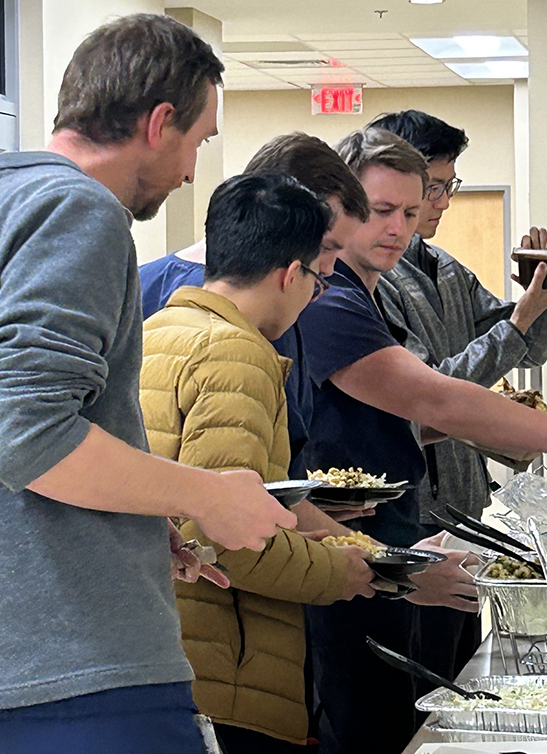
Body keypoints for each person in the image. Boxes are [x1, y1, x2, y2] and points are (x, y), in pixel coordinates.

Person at [0, 15, 295, 754]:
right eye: (198, 142)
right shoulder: (80, 212)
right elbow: (30, 439)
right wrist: (205, 495)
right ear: (160, 123)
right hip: (84, 678)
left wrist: (112, 526)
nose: (193, 169)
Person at [299, 128, 547, 754]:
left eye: (413, 212)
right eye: (381, 211)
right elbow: (436, 396)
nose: (398, 228)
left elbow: (426, 416)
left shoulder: (390, 282)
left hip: (399, 537)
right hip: (345, 554)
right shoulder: (329, 299)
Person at [140, 172, 378, 753]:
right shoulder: (238, 352)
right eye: (317, 282)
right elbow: (229, 537)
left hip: (163, 650)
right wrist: (344, 572)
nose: (311, 298)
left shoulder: (156, 330)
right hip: (227, 670)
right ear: (291, 273)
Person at [368, 109, 547, 682]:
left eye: (446, 188)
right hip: (411, 520)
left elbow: (524, 346)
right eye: (430, 190)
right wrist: (521, 322)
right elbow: (434, 391)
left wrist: (542, 291)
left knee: (459, 673)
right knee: (415, 683)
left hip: (462, 506)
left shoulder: (444, 268)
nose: (441, 203)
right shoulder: (375, 284)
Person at [139, 133, 369, 482]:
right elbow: (224, 519)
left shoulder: (160, 314)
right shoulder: (242, 343)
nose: (328, 270)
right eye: (324, 247)